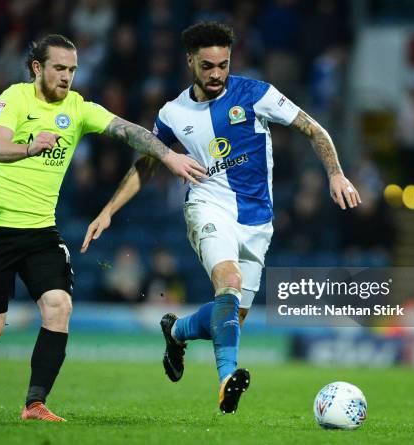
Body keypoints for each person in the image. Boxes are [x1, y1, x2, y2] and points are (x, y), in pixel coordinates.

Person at [0, 34, 206, 422]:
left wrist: (168, 155)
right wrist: (31, 146)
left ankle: (35, 403)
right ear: (37, 68)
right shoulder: (14, 99)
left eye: (72, 69)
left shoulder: (78, 107)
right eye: (59, 68)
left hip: (40, 231)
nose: (67, 76)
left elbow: (128, 130)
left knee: (59, 305)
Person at [81, 22, 360, 414]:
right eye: (208, 65)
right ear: (190, 61)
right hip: (208, 207)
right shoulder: (173, 113)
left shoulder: (257, 93)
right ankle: (227, 380)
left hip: (258, 220)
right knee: (227, 283)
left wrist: (335, 173)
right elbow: (147, 164)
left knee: (232, 317)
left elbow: (313, 129)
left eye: (223, 65)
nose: (216, 74)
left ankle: (176, 331)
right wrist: (108, 211)